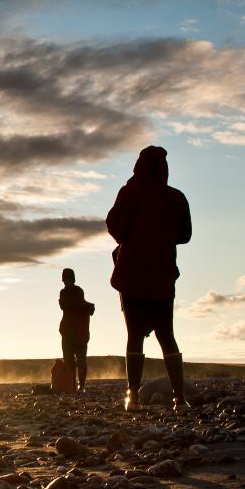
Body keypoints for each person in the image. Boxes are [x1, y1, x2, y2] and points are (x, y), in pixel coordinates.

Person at [106, 145, 192, 412]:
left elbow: (114, 226)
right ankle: (179, 398)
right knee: (167, 335)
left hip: (132, 274)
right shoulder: (176, 197)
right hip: (162, 274)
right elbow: (185, 235)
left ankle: (132, 396)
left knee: (134, 335)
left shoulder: (129, 192)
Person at [58, 268, 96, 393]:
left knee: (80, 360)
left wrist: (77, 306)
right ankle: (74, 385)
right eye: (65, 279)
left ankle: (80, 386)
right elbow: (65, 305)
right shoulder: (64, 292)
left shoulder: (77, 291)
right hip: (70, 331)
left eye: (67, 279)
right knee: (69, 359)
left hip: (78, 331)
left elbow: (67, 305)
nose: (66, 281)